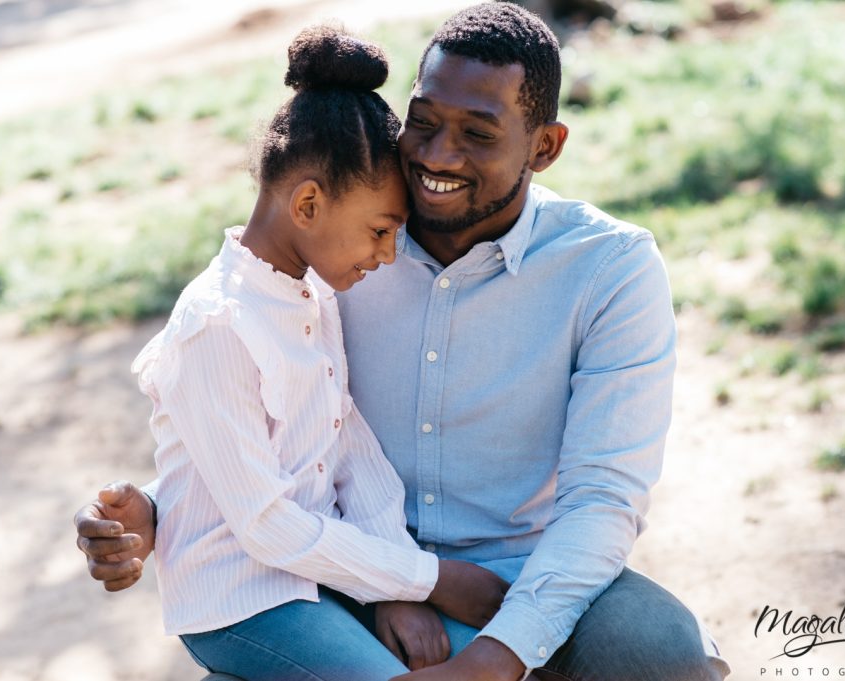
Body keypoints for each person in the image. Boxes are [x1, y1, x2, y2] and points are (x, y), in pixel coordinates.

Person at [75, 4, 732, 680]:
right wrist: (159, 507)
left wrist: (493, 657)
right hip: (335, 571)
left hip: (521, 571)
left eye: (478, 133)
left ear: (545, 146)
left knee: (665, 655)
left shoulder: (608, 268)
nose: (437, 156)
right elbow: (272, 420)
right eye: (423, 121)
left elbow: (603, 502)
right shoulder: (336, 243)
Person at [114, 25, 515, 681]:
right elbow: (266, 525)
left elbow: (349, 447)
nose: (388, 255)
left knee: (487, 651)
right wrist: (430, 576)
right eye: (381, 230)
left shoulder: (309, 296)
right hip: (242, 600)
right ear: (307, 202)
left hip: (320, 575)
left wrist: (399, 587)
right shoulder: (216, 324)